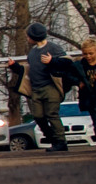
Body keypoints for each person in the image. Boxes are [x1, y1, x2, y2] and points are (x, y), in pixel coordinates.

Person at [18, 23, 80, 153]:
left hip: (50, 87)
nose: (27, 38)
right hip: (36, 89)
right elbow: (29, 69)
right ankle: (52, 138)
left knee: (52, 114)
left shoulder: (53, 48)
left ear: (34, 36)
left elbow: (67, 62)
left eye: (28, 36)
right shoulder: (32, 52)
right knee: (38, 116)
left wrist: (52, 61)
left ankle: (60, 142)